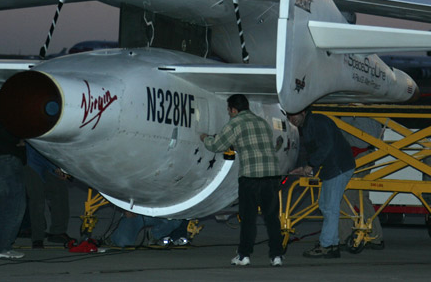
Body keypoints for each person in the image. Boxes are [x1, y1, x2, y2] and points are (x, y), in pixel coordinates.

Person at [200, 94, 283, 267]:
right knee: (272, 218)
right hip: (272, 175)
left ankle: (244, 255)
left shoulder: (235, 123)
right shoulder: (262, 122)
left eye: (229, 110)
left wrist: (204, 138)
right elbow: (256, 144)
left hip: (251, 176)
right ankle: (276, 256)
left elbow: (216, 145)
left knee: (248, 219)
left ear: (234, 110)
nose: (229, 114)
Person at [288, 107, 355, 259]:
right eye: (289, 115)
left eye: (293, 114)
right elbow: (318, 150)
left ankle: (327, 246)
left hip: (338, 167)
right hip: (334, 167)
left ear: (303, 111)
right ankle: (332, 244)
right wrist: (307, 168)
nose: (291, 118)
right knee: (325, 205)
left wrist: (310, 165)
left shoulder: (317, 123)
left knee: (330, 208)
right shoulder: (310, 124)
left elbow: (325, 147)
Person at [0, 97, 27, 259]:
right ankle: (3, 247)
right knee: (15, 204)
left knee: (3, 203)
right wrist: (20, 140)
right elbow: (13, 129)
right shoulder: (10, 103)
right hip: (7, 155)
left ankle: (0, 245)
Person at [337, 116, 384, 250]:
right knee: (361, 197)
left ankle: (345, 237)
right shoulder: (372, 110)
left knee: (344, 197)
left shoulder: (356, 110)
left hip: (358, 155)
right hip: (367, 154)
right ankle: (375, 236)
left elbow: (355, 137)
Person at [24, 143, 72, 248]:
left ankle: (58, 232)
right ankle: (37, 237)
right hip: (33, 158)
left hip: (50, 157)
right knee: (37, 200)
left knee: (60, 194)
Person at [107, 211, 187, 247]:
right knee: (123, 243)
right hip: (136, 214)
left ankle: (155, 235)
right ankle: (112, 238)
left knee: (176, 220)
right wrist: (124, 208)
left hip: (160, 213)